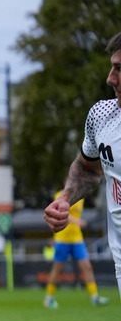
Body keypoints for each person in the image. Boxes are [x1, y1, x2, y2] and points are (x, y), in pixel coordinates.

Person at [45, 31, 121, 300]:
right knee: (62, 266)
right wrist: (66, 198)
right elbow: (88, 168)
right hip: (118, 259)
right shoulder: (101, 116)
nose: (110, 78)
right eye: (113, 67)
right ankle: (53, 297)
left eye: (120, 69)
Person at [43, 191, 109, 308]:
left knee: (87, 266)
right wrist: (78, 222)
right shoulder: (59, 195)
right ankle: (49, 298)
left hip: (77, 238)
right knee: (57, 268)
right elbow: (62, 213)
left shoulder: (81, 198)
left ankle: (95, 297)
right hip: (62, 238)